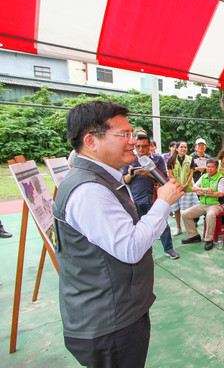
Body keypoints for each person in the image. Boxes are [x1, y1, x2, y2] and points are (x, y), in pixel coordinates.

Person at [52, 100, 184, 367]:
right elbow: (130, 248)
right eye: (123, 134)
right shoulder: (89, 191)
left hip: (118, 313)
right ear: (91, 141)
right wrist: (163, 202)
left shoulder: (101, 179)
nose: (133, 141)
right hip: (109, 324)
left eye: (131, 133)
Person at [123, 134, 180, 259]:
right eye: (138, 146)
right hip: (137, 197)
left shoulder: (157, 159)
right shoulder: (129, 159)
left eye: (144, 146)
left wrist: (149, 173)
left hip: (156, 195)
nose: (141, 149)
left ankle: (169, 249)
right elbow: (125, 180)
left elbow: (163, 178)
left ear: (150, 146)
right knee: (140, 225)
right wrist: (131, 174)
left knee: (162, 222)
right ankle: (147, 251)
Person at [181, 159, 224, 250]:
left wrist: (205, 194)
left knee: (210, 215)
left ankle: (209, 239)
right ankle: (194, 236)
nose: (209, 169)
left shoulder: (220, 178)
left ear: (216, 168)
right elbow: (194, 188)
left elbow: (220, 193)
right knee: (185, 214)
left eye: (212, 167)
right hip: (202, 204)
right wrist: (204, 189)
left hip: (216, 205)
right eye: (208, 167)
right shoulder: (204, 176)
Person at [167, 141, 197, 236]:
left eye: (185, 147)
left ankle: (190, 229)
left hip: (187, 188)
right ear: (177, 148)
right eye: (181, 147)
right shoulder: (171, 159)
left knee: (190, 208)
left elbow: (191, 173)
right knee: (176, 209)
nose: (183, 149)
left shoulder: (190, 159)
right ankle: (178, 228)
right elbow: (170, 173)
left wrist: (186, 184)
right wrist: (177, 184)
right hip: (176, 187)